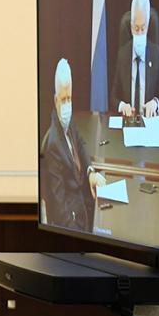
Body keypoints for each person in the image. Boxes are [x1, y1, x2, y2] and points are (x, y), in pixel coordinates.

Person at [42, 58, 105, 230]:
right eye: (63, 100)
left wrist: (91, 172)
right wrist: (79, 237)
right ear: (56, 101)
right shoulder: (53, 145)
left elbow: (81, 145)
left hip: (84, 204)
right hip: (74, 219)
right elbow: (59, 207)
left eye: (69, 98)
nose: (67, 104)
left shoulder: (68, 124)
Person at [110, 0, 159, 119]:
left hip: (148, 124)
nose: (140, 32)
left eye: (143, 28)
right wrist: (122, 106)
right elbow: (113, 98)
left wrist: (155, 104)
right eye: (136, 28)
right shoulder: (123, 54)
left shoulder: (155, 53)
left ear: (148, 25)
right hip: (128, 123)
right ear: (130, 26)